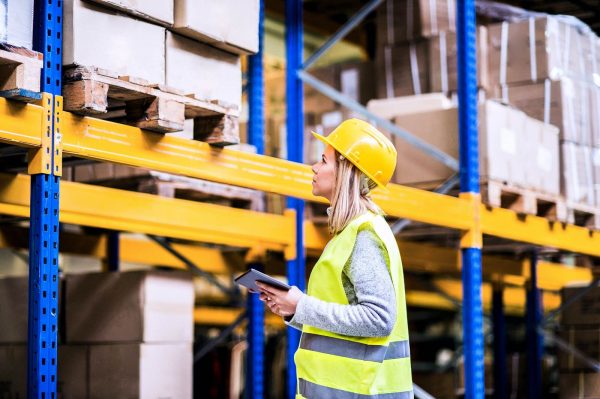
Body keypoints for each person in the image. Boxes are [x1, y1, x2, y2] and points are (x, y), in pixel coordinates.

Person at [257, 118, 413, 398]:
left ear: (346, 171)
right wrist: (293, 310)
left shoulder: (364, 235)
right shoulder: (346, 235)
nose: (314, 168)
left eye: (323, 161)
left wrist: (302, 304)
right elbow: (344, 323)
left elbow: (379, 319)